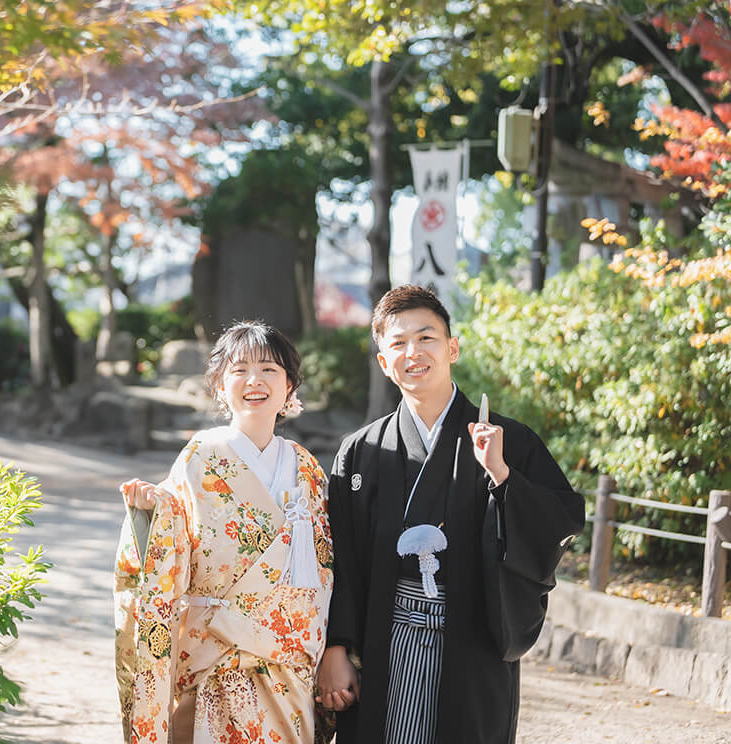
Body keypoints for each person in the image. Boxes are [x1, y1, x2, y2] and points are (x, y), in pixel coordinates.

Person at [316, 284, 585, 744]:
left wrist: (502, 476)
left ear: (452, 348)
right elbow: (336, 560)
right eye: (397, 344)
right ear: (384, 361)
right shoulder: (360, 451)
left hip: (472, 641)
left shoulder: (509, 441)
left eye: (427, 338)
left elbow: (560, 521)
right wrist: (337, 647)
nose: (413, 353)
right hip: (383, 640)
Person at [114, 321, 336, 744]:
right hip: (213, 654)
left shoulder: (306, 467)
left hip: (287, 660)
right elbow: (172, 537)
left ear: (290, 386)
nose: (255, 380)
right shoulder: (201, 456)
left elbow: (324, 568)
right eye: (240, 370)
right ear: (219, 385)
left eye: (270, 369)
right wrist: (151, 513)